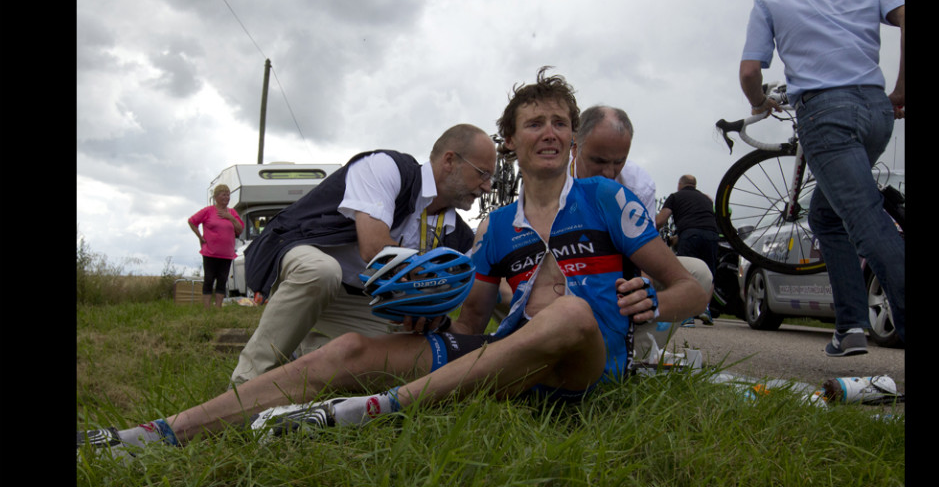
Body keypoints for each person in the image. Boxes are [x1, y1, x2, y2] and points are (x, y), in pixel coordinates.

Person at [77, 67, 705, 456]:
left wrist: (655, 300)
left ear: (572, 139)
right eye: (534, 122)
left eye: (561, 122)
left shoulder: (604, 197)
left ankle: (370, 409)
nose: (550, 131)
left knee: (568, 314)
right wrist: (427, 330)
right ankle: (157, 434)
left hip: (585, 369)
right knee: (351, 348)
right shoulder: (494, 228)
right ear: (511, 142)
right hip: (515, 367)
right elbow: (470, 329)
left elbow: (689, 290)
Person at [738, 0, 905, 356]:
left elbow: (748, 71)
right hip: (876, 112)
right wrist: (901, 88)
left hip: (825, 114)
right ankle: (849, 326)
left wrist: (760, 102)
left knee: (865, 218)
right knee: (828, 217)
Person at [229, 124, 495, 385]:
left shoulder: (457, 233)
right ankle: (244, 385)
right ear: (449, 160)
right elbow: (375, 248)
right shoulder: (386, 167)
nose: (488, 187)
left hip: (357, 295)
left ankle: (302, 353)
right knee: (322, 272)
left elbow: (489, 280)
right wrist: (427, 293)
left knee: (392, 363)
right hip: (297, 264)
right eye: (483, 173)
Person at [571, 105, 714, 355]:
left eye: (619, 162)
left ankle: (636, 348)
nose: (608, 173)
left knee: (699, 274)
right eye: (598, 161)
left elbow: (645, 258)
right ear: (575, 147)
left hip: (617, 278)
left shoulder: (639, 184)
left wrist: (644, 295)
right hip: (567, 280)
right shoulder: (552, 177)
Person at [654, 175, 718, 326]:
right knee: (709, 272)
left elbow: (660, 221)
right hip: (712, 235)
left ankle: (687, 316)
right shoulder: (706, 199)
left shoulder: (675, 197)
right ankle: (704, 309)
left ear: (679, 184)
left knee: (684, 272)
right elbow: (698, 224)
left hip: (690, 234)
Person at [188, 184, 244, 309]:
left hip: (227, 253)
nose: (226, 197)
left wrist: (231, 218)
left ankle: (218, 307)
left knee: (222, 279)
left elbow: (239, 229)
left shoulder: (232, 212)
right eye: (224, 194)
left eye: (228, 195)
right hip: (210, 252)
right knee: (209, 279)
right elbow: (192, 221)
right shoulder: (208, 211)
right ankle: (206, 308)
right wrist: (200, 237)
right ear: (216, 197)